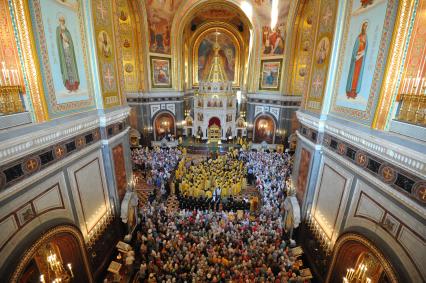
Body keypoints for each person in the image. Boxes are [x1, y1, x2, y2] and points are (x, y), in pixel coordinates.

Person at [56, 15, 79, 92]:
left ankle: (74, 87)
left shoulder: (67, 31)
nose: (62, 22)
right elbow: (59, 41)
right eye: (60, 20)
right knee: (67, 69)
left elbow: (69, 41)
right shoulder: (58, 30)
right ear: (59, 21)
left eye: (63, 20)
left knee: (71, 68)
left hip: (69, 51)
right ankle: (69, 87)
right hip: (64, 52)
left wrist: (66, 39)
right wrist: (61, 36)